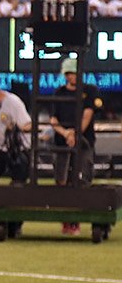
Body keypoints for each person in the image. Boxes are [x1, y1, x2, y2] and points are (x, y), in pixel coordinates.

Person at [47, 57, 103, 201]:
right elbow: (53, 120)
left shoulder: (90, 90)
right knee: (61, 179)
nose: (71, 76)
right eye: (68, 73)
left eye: (73, 72)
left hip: (84, 140)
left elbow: (87, 116)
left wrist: (75, 134)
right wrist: (66, 133)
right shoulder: (59, 92)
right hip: (62, 141)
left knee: (83, 177)